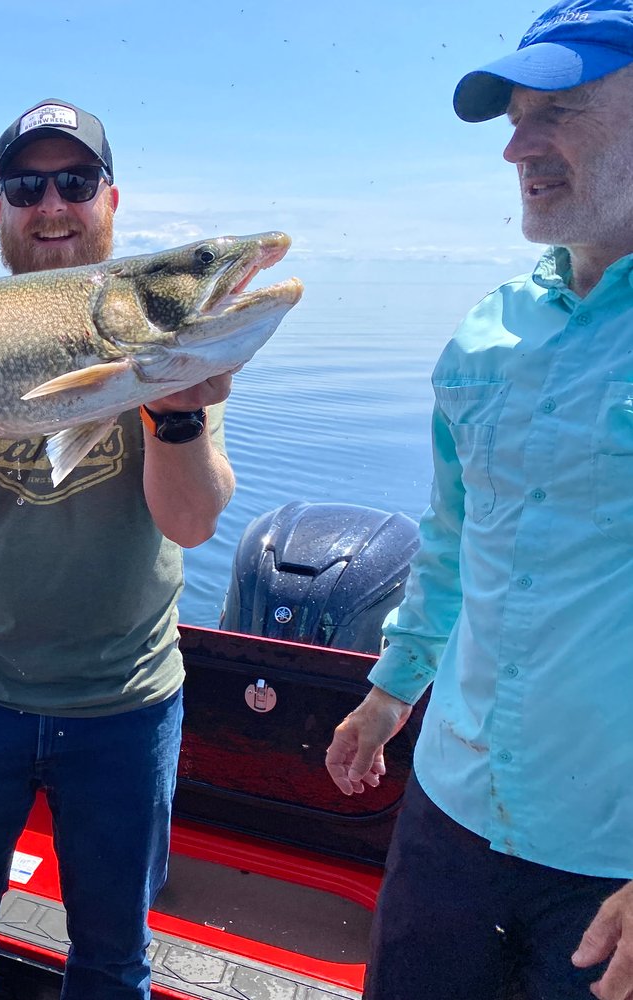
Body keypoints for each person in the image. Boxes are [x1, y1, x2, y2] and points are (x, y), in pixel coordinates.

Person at [0, 99, 234, 1000]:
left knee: (113, 956)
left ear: (110, 200)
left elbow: (191, 521)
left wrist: (179, 409)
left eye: (74, 183)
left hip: (123, 703)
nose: (51, 204)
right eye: (25, 185)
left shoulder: (172, 337)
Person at [324, 3, 633, 998]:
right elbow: (453, 545)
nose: (517, 146)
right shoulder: (486, 332)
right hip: (446, 816)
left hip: (606, 865)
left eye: (562, 109)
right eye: (514, 116)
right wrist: (387, 693)